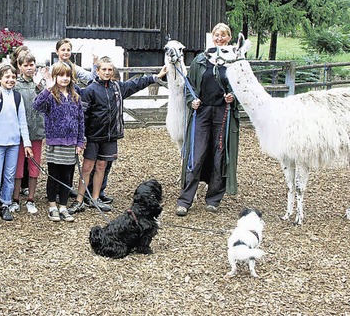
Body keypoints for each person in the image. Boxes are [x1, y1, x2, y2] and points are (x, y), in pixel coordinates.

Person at [69, 56, 166, 215]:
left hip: (110, 136)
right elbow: (82, 116)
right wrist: (82, 137)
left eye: (109, 70)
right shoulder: (90, 90)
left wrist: (155, 77)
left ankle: (95, 198)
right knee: (87, 168)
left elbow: (135, 84)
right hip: (93, 136)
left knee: (102, 166)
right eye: (104, 70)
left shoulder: (117, 88)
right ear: (97, 71)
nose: (107, 72)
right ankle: (79, 200)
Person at [176, 23, 240, 216]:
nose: (219, 38)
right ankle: (185, 200)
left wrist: (232, 97)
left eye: (223, 35)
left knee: (220, 155)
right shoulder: (200, 60)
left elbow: (240, 87)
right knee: (196, 154)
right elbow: (190, 87)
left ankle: (213, 198)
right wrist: (192, 101)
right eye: (216, 35)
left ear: (229, 38)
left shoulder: (233, 61)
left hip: (223, 113)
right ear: (212, 37)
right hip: (202, 112)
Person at [34, 62, 85, 222]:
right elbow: (37, 105)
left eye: (67, 75)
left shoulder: (75, 97)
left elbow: (80, 121)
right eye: (61, 75)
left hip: (71, 144)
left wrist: (80, 142)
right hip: (55, 143)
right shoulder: (50, 96)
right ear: (55, 77)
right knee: (54, 175)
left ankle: (63, 206)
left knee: (67, 176)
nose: (64, 78)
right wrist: (48, 88)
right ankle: (52, 206)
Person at [0, 65, 33, 222]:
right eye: (7, 77)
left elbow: (22, 121)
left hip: (13, 142)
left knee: (10, 175)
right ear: (0, 78)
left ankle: (5, 203)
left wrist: (27, 143)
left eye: (13, 77)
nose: (10, 80)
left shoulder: (17, 96)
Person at [10, 53, 45, 214]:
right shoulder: (15, 85)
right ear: (20, 67)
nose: (29, 68)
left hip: (36, 131)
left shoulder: (41, 84)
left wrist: (40, 87)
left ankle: (31, 198)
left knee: (34, 166)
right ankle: (15, 198)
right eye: (26, 65)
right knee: (18, 167)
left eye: (32, 65)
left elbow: (47, 101)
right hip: (19, 133)